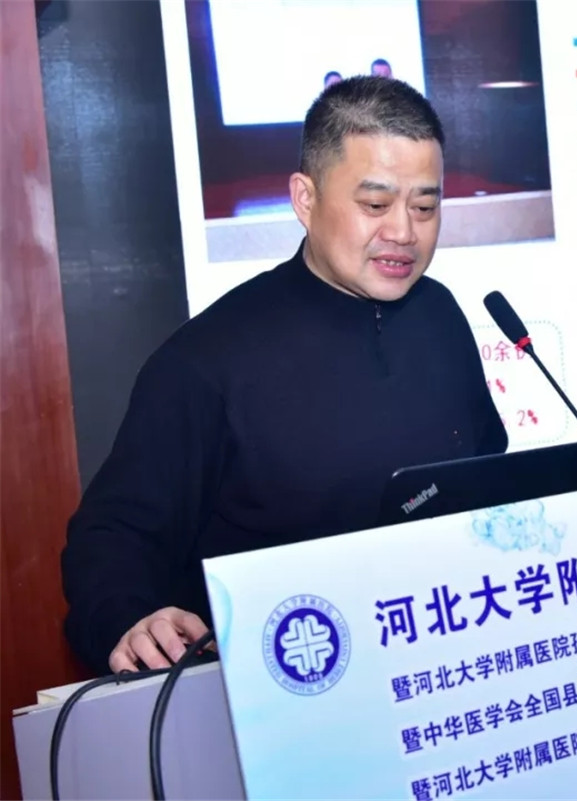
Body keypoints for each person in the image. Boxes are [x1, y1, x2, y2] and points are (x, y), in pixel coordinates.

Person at [60, 76, 507, 676]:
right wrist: (130, 617)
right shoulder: (207, 359)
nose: (404, 232)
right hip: (289, 681)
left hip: (446, 660)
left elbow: (485, 478)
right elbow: (113, 536)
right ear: (305, 199)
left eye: (425, 207)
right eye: (375, 205)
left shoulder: (441, 315)